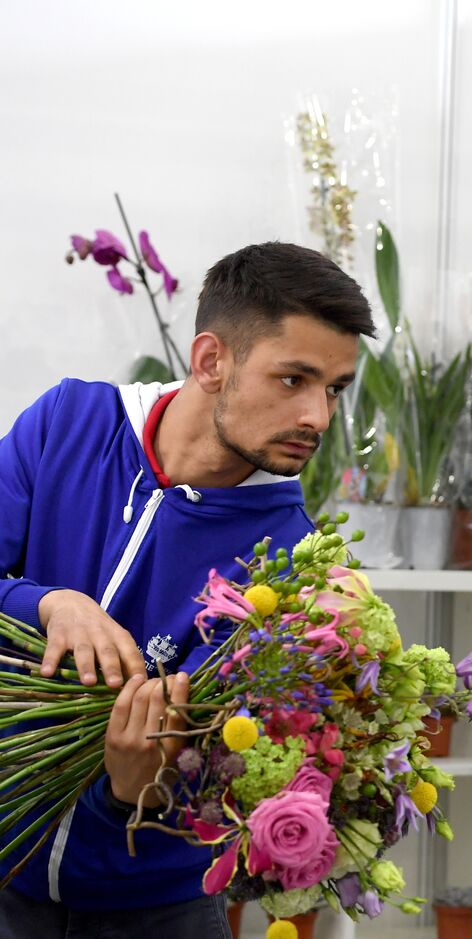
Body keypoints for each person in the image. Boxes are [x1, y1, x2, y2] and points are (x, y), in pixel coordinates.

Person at [0, 242, 372, 937]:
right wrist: (49, 603)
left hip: (158, 905)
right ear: (211, 361)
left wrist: (134, 791)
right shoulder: (69, 424)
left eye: (334, 389)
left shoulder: (296, 565)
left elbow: (240, 766)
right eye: (294, 378)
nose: (319, 416)